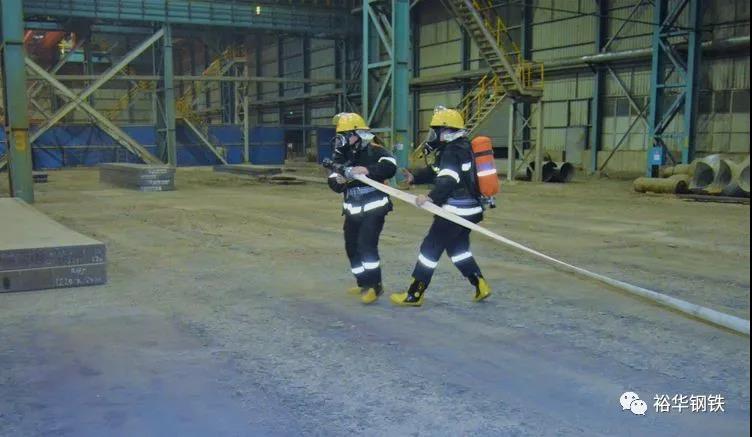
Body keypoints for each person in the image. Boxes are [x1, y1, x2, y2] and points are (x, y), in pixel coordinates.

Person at [390, 106, 491, 306]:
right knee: (457, 248)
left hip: (455, 211)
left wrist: (430, 197)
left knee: (430, 247)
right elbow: (437, 170)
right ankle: (480, 284)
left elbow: (447, 179)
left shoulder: (451, 151)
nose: (433, 135)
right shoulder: (463, 146)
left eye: (435, 131)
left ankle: (415, 294)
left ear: (445, 131)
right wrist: (415, 176)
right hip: (472, 210)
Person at [327, 112, 398, 304]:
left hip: (374, 208)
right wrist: (338, 181)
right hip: (353, 209)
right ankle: (363, 283)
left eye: (345, 135)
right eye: (340, 136)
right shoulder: (342, 154)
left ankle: (375, 286)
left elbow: (390, 167)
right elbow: (332, 180)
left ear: (358, 134)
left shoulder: (376, 151)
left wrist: (367, 170)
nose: (342, 140)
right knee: (351, 246)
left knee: (366, 245)